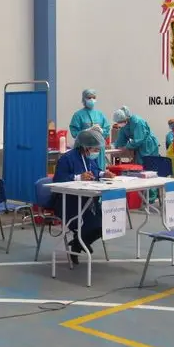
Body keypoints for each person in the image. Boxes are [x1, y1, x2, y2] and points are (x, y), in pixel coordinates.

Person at [52, 129, 116, 264]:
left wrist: (103, 174)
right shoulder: (67, 159)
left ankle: (78, 243)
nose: (96, 152)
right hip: (69, 201)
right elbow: (58, 180)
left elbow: (95, 171)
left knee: (108, 223)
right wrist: (78, 177)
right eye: (94, 149)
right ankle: (81, 242)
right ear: (85, 147)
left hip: (88, 200)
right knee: (95, 225)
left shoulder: (88, 157)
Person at [69, 89, 110, 169]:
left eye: (93, 97)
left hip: (98, 150)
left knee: (99, 171)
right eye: (89, 98)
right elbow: (74, 133)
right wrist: (87, 131)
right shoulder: (78, 115)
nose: (91, 100)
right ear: (84, 99)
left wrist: (102, 131)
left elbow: (107, 130)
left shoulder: (100, 114)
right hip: (84, 149)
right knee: (84, 169)